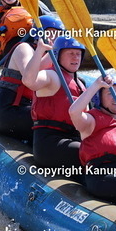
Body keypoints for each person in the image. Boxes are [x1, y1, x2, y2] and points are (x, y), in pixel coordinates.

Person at [69, 78, 116, 211]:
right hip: (100, 176)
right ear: (99, 98)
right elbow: (74, 112)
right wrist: (96, 85)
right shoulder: (90, 121)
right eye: (110, 93)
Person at [22, 36, 86, 169]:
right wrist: (40, 51)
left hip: (72, 138)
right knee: (92, 153)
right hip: (50, 143)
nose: (75, 57)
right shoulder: (51, 76)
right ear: (58, 56)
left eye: (78, 54)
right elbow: (28, 81)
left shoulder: (80, 83)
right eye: (70, 53)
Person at [0, 15, 65, 141]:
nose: (56, 38)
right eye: (52, 33)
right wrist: (54, 52)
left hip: (26, 108)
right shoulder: (24, 48)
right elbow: (30, 77)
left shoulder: (48, 55)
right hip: (9, 110)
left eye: (59, 34)